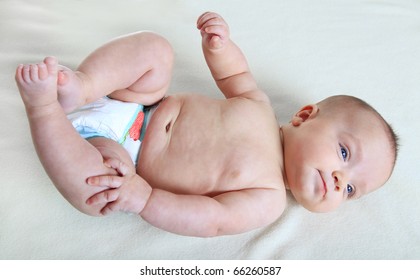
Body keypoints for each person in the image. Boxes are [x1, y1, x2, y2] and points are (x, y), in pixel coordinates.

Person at [15, 12, 398, 237]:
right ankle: (82, 86)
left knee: (97, 194)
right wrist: (219, 46)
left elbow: (212, 219)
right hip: (138, 102)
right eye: (344, 153)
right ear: (303, 116)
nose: (337, 181)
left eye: (349, 189)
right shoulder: (259, 106)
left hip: (122, 157)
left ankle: (44, 110)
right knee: (155, 50)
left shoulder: (266, 199)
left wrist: (145, 198)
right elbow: (236, 75)